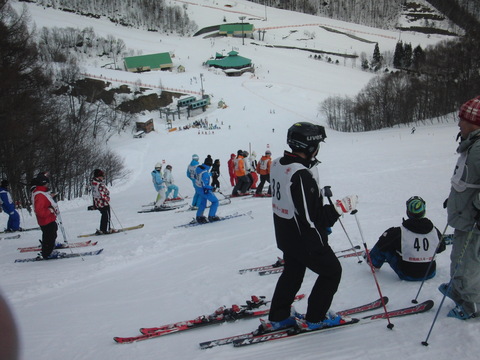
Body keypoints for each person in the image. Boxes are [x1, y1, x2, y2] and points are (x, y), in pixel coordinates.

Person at [266, 122, 358, 332]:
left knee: (293, 271)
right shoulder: (300, 175)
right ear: (309, 147)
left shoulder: (278, 163)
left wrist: (314, 192)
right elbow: (312, 219)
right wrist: (339, 208)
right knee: (332, 272)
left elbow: (295, 199)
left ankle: (279, 316)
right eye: (317, 145)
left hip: (286, 234)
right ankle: (316, 318)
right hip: (304, 238)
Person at [441, 95, 480, 320]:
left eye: (461, 119)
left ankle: (472, 303)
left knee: (468, 262)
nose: (458, 123)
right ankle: (458, 290)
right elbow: (465, 179)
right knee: (458, 256)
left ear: (474, 122)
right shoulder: (472, 144)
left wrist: (476, 208)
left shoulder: (478, 148)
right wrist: (455, 199)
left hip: (472, 218)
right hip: (463, 214)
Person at [368, 196, 445, 281]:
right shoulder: (434, 231)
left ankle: (373, 262)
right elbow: (441, 248)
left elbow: (382, 245)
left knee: (386, 242)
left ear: (408, 212)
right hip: (430, 272)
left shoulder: (399, 232)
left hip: (407, 274)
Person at [31, 172, 58, 259]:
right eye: (46, 183)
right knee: (49, 236)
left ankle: (48, 250)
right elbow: (40, 211)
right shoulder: (39, 194)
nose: (48, 185)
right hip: (46, 220)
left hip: (49, 219)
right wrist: (50, 210)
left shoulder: (42, 192)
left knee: (51, 234)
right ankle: (47, 253)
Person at [194, 155, 219, 223]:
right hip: (204, 190)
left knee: (203, 203)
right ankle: (212, 216)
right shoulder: (205, 173)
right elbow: (205, 184)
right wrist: (212, 188)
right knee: (215, 201)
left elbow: (201, 175)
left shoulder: (199, 168)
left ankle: (199, 216)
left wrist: (210, 174)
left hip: (198, 188)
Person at [91, 169, 114, 234]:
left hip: (97, 203)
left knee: (104, 215)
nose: (103, 178)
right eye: (102, 176)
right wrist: (107, 198)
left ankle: (103, 228)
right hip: (103, 202)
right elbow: (103, 193)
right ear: (98, 176)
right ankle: (106, 229)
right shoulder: (99, 184)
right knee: (106, 215)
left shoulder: (94, 182)